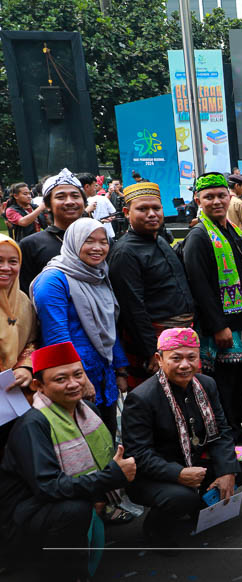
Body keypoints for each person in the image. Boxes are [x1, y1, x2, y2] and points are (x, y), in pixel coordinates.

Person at [0, 342, 136, 580]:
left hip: (52, 501)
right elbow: (48, 487)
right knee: (74, 510)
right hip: (23, 514)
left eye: (78, 375)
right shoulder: (33, 424)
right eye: (60, 379)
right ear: (39, 386)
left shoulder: (88, 410)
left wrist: (102, 488)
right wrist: (110, 477)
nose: (73, 384)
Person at [122, 329, 242, 550]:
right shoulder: (141, 398)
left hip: (196, 460)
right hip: (156, 473)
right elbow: (139, 455)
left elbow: (222, 431)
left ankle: (200, 507)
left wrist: (226, 471)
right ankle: (156, 529)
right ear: (159, 359)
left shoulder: (206, 384)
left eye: (191, 357)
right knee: (182, 496)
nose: (185, 365)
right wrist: (178, 473)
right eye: (176, 358)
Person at [31, 218, 128, 436]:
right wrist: (79, 378)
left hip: (104, 372)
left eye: (103, 241)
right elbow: (57, 337)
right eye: (89, 241)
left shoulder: (98, 274)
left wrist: (120, 369)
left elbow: (108, 326)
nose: (98, 248)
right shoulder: (53, 280)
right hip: (71, 379)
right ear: (74, 242)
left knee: (106, 437)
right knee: (79, 441)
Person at [183, 173, 242, 442]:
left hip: (240, 322)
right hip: (220, 326)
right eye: (209, 197)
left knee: (238, 379)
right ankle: (224, 436)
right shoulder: (199, 236)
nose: (216, 201)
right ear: (198, 200)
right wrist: (218, 326)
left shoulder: (233, 230)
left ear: (230, 197)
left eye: (221, 195)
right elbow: (199, 287)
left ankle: (235, 428)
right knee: (222, 382)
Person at [108, 182, 195, 388]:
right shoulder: (125, 252)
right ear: (127, 212)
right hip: (155, 343)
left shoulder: (160, 241)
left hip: (182, 335)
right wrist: (151, 351)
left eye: (156, 208)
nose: (151, 214)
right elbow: (132, 308)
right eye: (143, 209)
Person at [19, 169, 87, 294]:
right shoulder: (31, 245)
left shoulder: (101, 241)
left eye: (75, 196)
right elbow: (26, 293)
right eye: (61, 197)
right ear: (47, 205)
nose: (70, 201)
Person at [0, 234, 38, 453]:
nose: (6, 268)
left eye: (13, 261)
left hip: (12, 398)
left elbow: (31, 341)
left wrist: (25, 367)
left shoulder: (22, 301)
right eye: (0, 261)